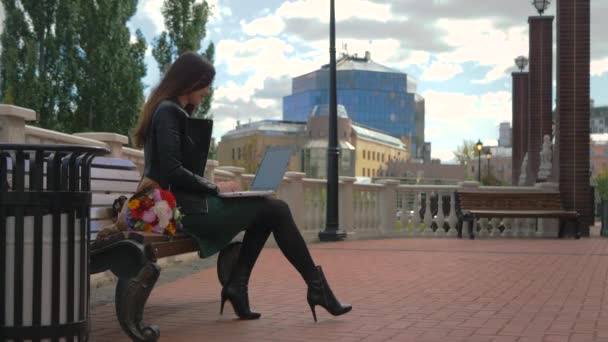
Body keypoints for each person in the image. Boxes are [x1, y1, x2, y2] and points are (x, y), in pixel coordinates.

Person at [131, 51, 351, 322]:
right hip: (176, 211)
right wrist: (216, 189)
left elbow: (177, 169)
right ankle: (312, 289)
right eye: (205, 83)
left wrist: (213, 188)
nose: (207, 91)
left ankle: (240, 286)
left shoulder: (171, 111)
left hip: (181, 205)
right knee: (276, 210)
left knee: (269, 211)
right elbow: (172, 171)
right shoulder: (168, 111)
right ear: (190, 82)